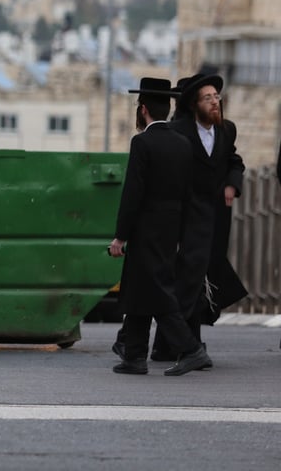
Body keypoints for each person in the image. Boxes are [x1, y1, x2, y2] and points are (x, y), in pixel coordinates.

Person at [108, 78, 210, 376]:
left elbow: (133, 194)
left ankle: (191, 350)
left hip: (145, 230)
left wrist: (120, 236)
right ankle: (135, 356)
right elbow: (189, 192)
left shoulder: (142, 142)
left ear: (142, 110)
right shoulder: (182, 143)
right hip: (171, 229)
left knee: (157, 292)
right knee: (142, 289)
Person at [155, 69, 246, 360]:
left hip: (216, 219)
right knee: (187, 279)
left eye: (216, 97)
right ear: (194, 104)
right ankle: (181, 345)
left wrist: (232, 184)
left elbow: (234, 160)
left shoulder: (226, 130)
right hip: (187, 218)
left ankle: (178, 344)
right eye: (208, 98)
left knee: (203, 279)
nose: (215, 102)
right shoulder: (178, 131)